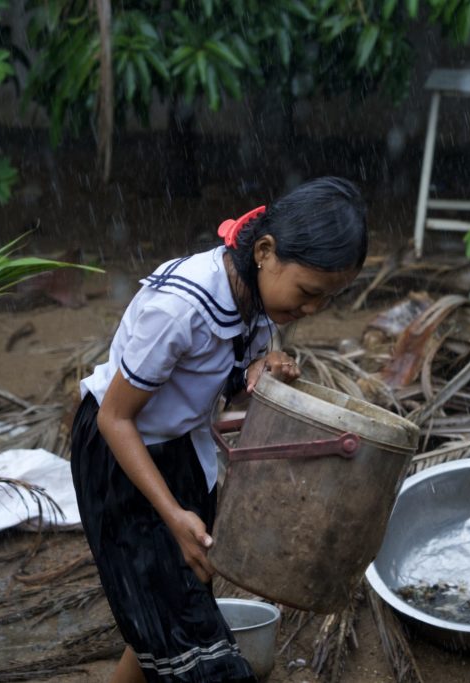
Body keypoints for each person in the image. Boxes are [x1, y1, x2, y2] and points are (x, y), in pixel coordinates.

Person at [70, 176, 368, 682]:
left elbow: (214, 380)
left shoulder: (258, 297)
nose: (312, 309)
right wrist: (173, 515)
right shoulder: (181, 307)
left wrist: (260, 373)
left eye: (327, 299)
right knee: (195, 648)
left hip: (180, 452)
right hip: (120, 459)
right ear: (266, 251)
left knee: (166, 614)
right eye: (308, 293)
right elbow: (114, 417)